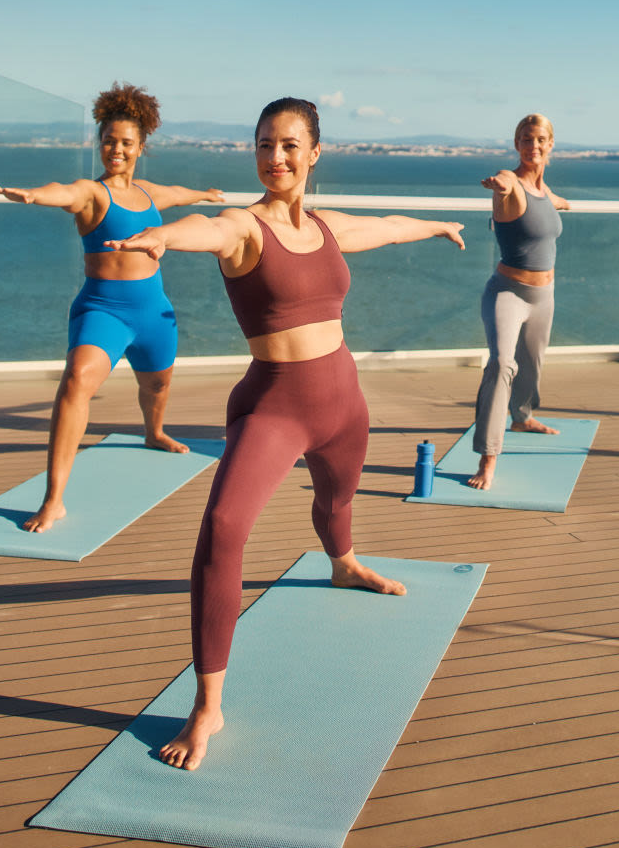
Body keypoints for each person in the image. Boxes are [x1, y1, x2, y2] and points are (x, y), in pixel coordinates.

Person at [104, 96, 465, 771]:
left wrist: (438, 223)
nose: (276, 157)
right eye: (266, 144)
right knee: (224, 526)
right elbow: (204, 230)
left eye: (290, 145)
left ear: (315, 152)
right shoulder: (246, 226)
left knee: (337, 501)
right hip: (275, 405)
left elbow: (383, 227)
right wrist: (160, 238)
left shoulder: (325, 226)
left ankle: (344, 562)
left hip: (343, 399)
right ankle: (208, 706)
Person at [0, 82, 224, 533]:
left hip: (153, 311)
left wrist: (206, 195)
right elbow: (64, 191)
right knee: (76, 382)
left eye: (126, 143)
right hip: (103, 310)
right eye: (109, 141)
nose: (116, 149)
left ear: (141, 147)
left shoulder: (151, 193)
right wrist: (33, 195)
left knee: (157, 387)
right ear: (100, 143)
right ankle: (54, 498)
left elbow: (178, 192)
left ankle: (154, 433)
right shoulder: (92, 193)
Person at [466, 113, 572, 490]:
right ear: (517, 144)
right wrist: (499, 185)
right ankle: (488, 457)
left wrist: (566, 205)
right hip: (508, 293)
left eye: (541, 139)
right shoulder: (509, 183)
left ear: (551, 144)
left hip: (545, 296)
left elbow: (551, 202)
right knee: (501, 364)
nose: (534, 146)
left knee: (532, 364)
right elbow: (509, 185)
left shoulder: (545, 191)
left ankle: (523, 417)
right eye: (527, 139)